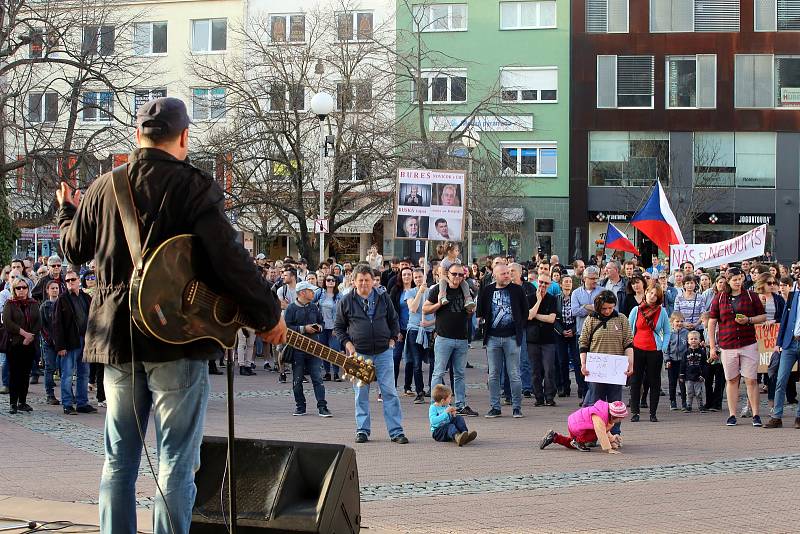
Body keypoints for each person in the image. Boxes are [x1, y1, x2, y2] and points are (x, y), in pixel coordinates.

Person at [57, 96, 286, 534]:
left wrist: (68, 209)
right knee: (176, 460)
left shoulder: (105, 186)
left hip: (118, 340)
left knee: (118, 461)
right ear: (184, 137)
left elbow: (73, 249)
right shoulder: (192, 186)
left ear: (137, 135)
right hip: (174, 340)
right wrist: (267, 311)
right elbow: (229, 257)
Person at [335, 264, 408, 444]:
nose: (364, 284)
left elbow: (394, 320)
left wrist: (392, 338)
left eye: (367, 280)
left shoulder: (384, 298)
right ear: (354, 281)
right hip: (358, 353)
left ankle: (396, 431)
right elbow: (339, 327)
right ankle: (362, 430)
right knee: (361, 393)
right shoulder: (346, 301)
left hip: (383, 352)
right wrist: (348, 344)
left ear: (373, 281)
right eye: (360, 280)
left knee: (389, 392)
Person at [707, 267, 767, 427]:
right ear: (728, 280)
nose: (738, 282)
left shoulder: (751, 296)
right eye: (734, 279)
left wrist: (748, 320)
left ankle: (755, 414)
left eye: (740, 278)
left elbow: (762, 316)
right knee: (732, 380)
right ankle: (732, 414)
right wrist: (713, 347)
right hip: (728, 344)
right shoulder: (720, 298)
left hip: (748, 343)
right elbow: (712, 322)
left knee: (751, 380)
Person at [423, 263, 479, 417]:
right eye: (454, 274)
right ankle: (436, 406)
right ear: (448, 274)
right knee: (438, 372)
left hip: (461, 338)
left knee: (460, 373)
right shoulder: (438, 289)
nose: (457, 277)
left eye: (461, 275)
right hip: (443, 338)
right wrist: (438, 304)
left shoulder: (465, 289)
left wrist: (470, 311)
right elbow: (425, 309)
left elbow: (468, 314)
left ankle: (460, 405)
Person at [477, 264, 529, 418]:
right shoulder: (487, 291)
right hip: (493, 338)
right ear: (495, 275)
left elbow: (525, 312)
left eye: (508, 273)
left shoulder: (518, 290)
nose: (507, 276)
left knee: (514, 374)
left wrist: (518, 327)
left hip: (512, 338)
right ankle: (495, 407)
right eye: (503, 274)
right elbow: (481, 311)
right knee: (493, 374)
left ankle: (517, 407)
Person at [579, 291, 634, 437]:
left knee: (616, 403)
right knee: (595, 402)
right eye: (604, 308)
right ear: (598, 307)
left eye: (611, 307)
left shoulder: (621, 319)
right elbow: (583, 343)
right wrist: (583, 364)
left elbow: (628, 342)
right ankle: (592, 434)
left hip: (616, 370)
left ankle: (615, 433)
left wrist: (630, 363)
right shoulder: (590, 320)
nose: (608, 311)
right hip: (596, 369)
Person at [284, 281, 331, 417]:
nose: (313, 293)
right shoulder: (291, 308)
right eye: (311, 291)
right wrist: (303, 329)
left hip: (314, 347)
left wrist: (319, 327)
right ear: (302, 293)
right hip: (297, 349)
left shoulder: (314, 307)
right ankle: (300, 406)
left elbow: (321, 322)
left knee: (317, 378)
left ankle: (322, 406)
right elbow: (286, 328)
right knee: (297, 380)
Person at [52, 270, 95, 415]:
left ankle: (82, 403)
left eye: (73, 280)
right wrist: (60, 346)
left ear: (78, 280)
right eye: (68, 280)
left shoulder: (86, 297)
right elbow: (57, 324)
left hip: (85, 340)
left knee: (84, 373)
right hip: (69, 342)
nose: (70, 282)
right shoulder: (62, 299)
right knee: (67, 374)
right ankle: (67, 404)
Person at [627, 286, 670, 422]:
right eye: (650, 293)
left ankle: (653, 413)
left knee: (654, 381)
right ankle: (635, 412)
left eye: (655, 295)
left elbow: (667, 331)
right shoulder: (637, 310)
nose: (652, 296)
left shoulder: (662, 312)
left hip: (654, 350)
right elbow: (629, 330)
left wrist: (663, 347)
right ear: (646, 293)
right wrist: (628, 348)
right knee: (636, 381)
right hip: (637, 349)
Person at [3, 277, 42, 414]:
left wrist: (30, 336)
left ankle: (22, 402)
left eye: (24, 287)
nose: (21, 290)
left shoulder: (33, 303)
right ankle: (13, 403)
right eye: (18, 288)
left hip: (29, 344)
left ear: (28, 289)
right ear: (14, 289)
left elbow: (38, 321)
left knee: (26, 374)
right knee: (15, 374)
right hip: (15, 343)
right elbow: (8, 322)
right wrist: (24, 334)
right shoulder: (10, 303)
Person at [765, 278, 800, 428]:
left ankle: (799, 417)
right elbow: (785, 320)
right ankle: (776, 416)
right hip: (789, 343)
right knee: (780, 379)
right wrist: (778, 343)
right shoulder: (793, 297)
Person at [539, 400, 628, 453]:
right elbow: (601, 432)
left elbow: (606, 430)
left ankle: (554, 437)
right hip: (578, 426)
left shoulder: (603, 413)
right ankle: (577, 441)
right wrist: (609, 449)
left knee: (571, 444)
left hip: (575, 423)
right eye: (619, 419)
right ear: (614, 416)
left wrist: (612, 440)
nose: (620, 421)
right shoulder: (600, 418)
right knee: (594, 435)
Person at [527, 272, 558, 407]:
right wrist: (539, 300)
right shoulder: (529, 298)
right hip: (532, 339)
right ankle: (538, 397)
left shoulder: (552, 299)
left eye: (546, 283)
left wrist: (536, 315)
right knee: (535, 370)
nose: (543, 285)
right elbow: (528, 316)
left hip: (548, 340)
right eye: (541, 282)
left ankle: (550, 397)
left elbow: (551, 319)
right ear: (536, 282)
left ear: (550, 285)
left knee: (549, 369)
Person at [404, 269, 434, 403]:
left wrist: (430, 323)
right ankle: (419, 391)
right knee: (416, 363)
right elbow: (413, 308)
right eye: (415, 277)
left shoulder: (432, 291)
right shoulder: (409, 292)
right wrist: (420, 292)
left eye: (420, 277)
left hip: (430, 330)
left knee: (434, 362)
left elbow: (438, 312)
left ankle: (433, 389)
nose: (417, 279)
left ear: (424, 277)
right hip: (414, 330)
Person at [38, 280, 62, 405]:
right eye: (52, 288)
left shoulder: (62, 303)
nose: (55, 290)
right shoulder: (44, 306)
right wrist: (49, 338)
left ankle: (67, 393)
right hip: (49, 342)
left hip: (62, 342)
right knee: (50, 367)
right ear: (47, 290)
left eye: (56, 288)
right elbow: (42, 326)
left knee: (64, 368)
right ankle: (50, 394)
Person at [436, 242, 476, 312]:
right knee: (442, 282)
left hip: (456, 278)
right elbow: (442, 275)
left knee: (465, 284)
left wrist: (463, 275)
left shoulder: (458, 261)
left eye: (458, 250)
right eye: (456, 250)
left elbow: (460, 270)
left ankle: (468, 300)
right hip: (446, 278)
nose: (458, 252)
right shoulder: (444, 262)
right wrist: (449, 282)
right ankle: (442, 297)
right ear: (449, 252)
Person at [318, 274, 343, 382]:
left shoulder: (339, 296)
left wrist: (337, 327)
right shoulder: (320, 293)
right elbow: (311, 302)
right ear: (325, 282)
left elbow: (342, 313)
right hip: (322, 326)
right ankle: (327, 373)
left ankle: (336, 373)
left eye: (333, 280)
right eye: (328, 280)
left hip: (334, 327)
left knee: (334, 349)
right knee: (324, 350)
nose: (331, 282)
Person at [571, 266, 602, 349]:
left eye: (596, 278)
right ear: (584, 279)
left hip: (599, 333)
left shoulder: (603, 291)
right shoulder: (576, 293)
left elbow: (603, 310)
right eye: (592, 278)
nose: (595, 281)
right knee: (582, 361)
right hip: (582, 333)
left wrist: (583, 306)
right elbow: (574, 311)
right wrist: (593, 308)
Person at [664, 311, 689, 411]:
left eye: (681, 321)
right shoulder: (669, 334)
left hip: (683, 362)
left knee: (682, 382)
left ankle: (684, 402)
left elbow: (688, 347)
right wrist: (667, 360)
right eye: (677, 321)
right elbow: (666, 348)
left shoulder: (686, 333)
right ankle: (672, 401)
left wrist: (687, 360)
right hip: (672, 361)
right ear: (672, 322)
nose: (679, 323)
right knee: (672, 382)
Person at [680, 331, 707, 413]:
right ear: (688, 341)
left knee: (699, 392)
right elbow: (682, 364)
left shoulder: (702, 352)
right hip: (688, 377)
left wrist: (703, 375)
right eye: (691, 339)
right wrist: (681, 375)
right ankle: (688, 406)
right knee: (689, 392)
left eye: (695, 339)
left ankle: (701, 406)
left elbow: (705, 365)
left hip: (698, 376)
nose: (693, 340)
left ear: (699, 340)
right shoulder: (685, 353)